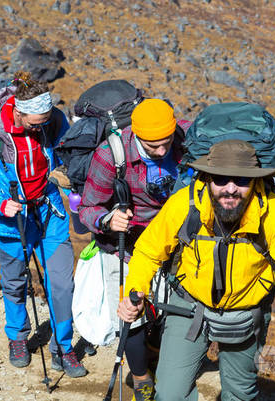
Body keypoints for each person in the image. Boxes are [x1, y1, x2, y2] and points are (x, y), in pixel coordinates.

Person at [118, 139, 275, 401]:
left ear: (255, 182)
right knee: (169, 394)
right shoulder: (184, 204)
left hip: (247, 311)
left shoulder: (273, 212)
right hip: (189, 306)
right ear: (207, 177)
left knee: (239, 394)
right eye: (221, 179)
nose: (231, 189)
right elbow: (148, 251)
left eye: (241, 181)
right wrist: (135, 292)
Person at [0, 71, 86, 378]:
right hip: (12, 217)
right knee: (15, 280)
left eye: (45, 121)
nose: (41, 127)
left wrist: (64, 174)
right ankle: (18, 338)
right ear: (18, 112)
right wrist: (2, 203)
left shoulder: (55, 120)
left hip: (50, 211)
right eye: (36, 122)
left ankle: (63, 347)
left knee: (61, 282)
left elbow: (67, 155)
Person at [79, 99, 190, 400]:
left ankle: (158, 358)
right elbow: (87, 209)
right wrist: (107, 219)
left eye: (167, 143)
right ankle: (141, 378)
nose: (163, 151)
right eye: (153, 146)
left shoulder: (187, 138)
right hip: (125, 246)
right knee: (131, 313)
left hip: (175, 245)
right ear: (137, 135)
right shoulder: (111, 154)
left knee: (170, 311)